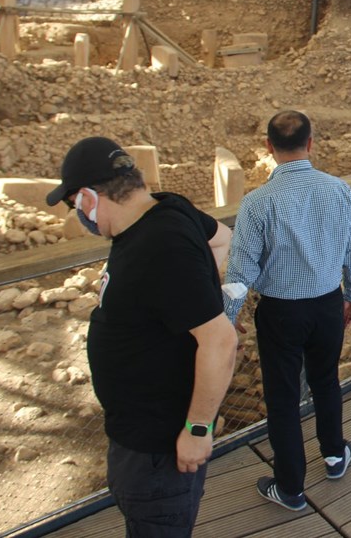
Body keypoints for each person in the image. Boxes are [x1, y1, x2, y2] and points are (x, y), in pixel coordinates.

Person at [45, 137, 238, 535]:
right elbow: (221, 239)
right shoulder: (167, 207)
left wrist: (197, 430)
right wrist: (196, 292)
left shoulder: (159, 245)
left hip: (160, 448)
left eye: (73, 205)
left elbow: (220, 341)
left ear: (86, 198)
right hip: (142, 437)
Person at [223, 111, 351, 512]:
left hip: (280, 314)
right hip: (326, 306)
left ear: (268, 148)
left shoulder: (256, 203)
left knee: (283, 398)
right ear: (311, 143)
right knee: (325, 381)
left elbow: (240, 269)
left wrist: (227, 317)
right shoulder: (338, 190)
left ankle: (290, 488)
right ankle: (335, 456)